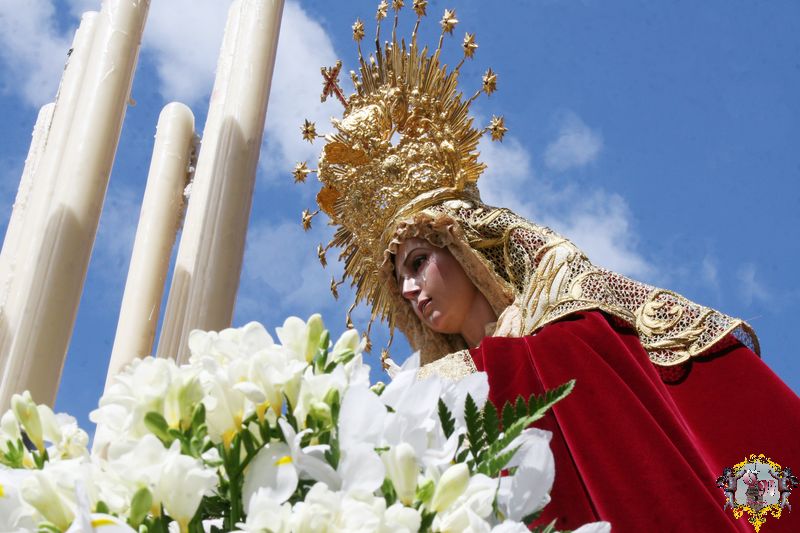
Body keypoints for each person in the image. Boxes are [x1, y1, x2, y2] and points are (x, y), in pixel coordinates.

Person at [295, 2, 800, 530]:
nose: (408, 289)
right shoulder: (433, 393)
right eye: (399, 278)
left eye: (419, 262)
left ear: (465, 245)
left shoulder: (570, 338)